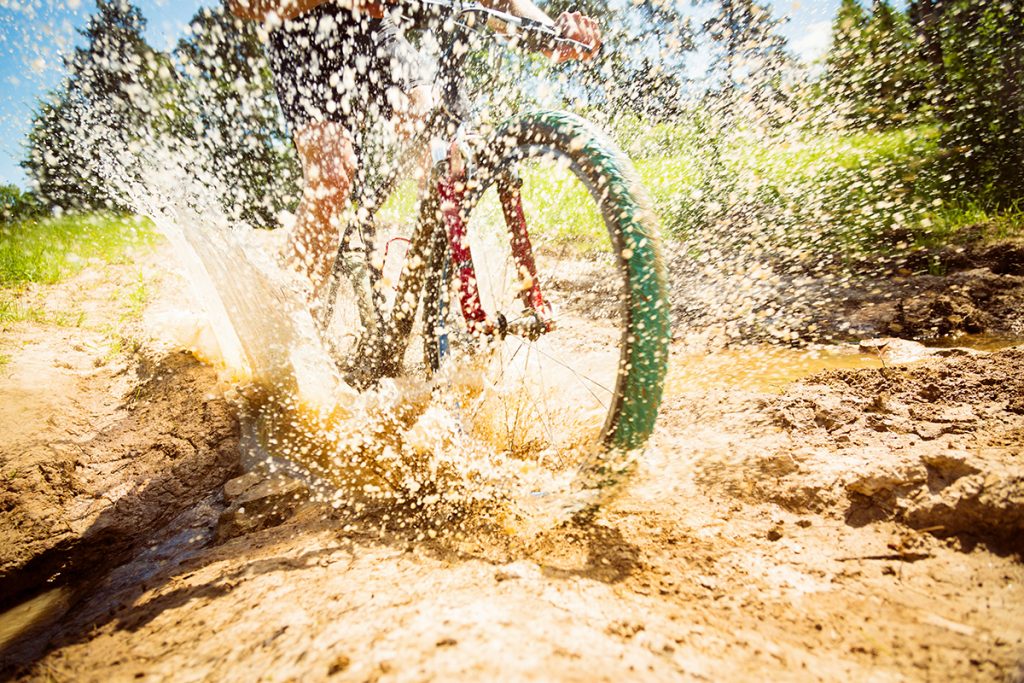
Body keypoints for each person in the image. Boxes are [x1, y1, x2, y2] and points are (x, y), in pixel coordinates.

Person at [227, 0, 601, 335]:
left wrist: (552, 33)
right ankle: (287, 335)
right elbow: (242, 5)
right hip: (301, 34)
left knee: (439, 128)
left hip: (373, 30)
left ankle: (433, 309)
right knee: (334, 174)